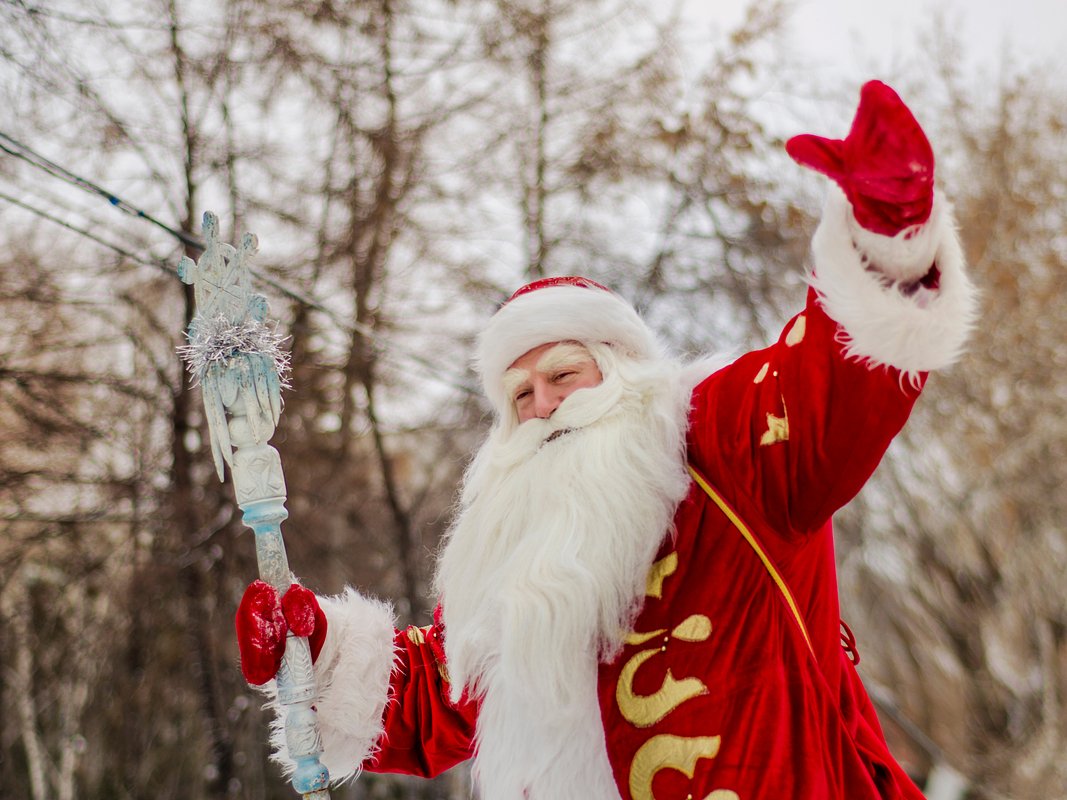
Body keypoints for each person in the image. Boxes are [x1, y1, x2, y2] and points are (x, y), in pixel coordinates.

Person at [235, 81, 976, 799]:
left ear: (624, 372)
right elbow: (443, 696)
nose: (543, 405)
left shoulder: (721, 444)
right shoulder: (516, 553)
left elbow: (830, 388)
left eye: (563, 374)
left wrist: (887, 235)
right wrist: (319, 649)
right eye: (519, 394)